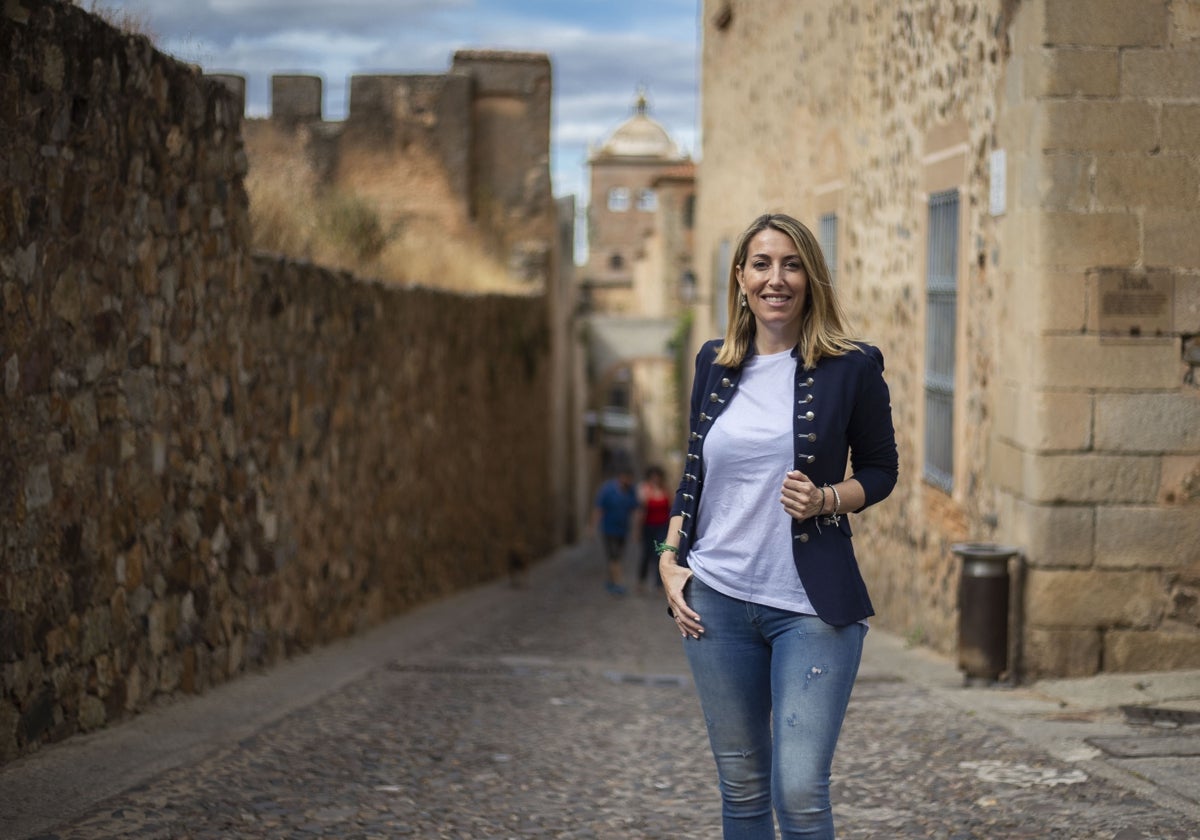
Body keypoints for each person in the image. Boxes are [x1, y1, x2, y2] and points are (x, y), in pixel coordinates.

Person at [658, 213, 898, 839]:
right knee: (740, 790)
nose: (776, 279)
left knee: (799, 792)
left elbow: (880, 470)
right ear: (740, 278)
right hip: (716, 601)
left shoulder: (853, 367)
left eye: (791, 264)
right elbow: (692, 472)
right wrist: (668, 555)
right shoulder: (714, 362)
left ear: (812, 277)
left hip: (810, 606)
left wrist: (825, 499)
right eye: (762, 265)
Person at [590, 465, 640, 595]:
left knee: (618, 557)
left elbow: (635, 510)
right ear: (621, 477)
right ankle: (618, 583)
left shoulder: (631, 491)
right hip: (609, 529)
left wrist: (635, 530)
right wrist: (593, 527)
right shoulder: (607, 490)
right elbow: (599, 509)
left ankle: (611, 581)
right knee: (614, 556)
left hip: (623, 530)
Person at [635, 465, 671, 594]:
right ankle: (641, 581)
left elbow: (670, 509)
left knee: (660, 554)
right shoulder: (644, 489)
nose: (656, 479)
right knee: (646, 554)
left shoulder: (665, 491)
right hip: (648, 527)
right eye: (653, 477)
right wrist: (637, 530)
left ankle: (658, 584)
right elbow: (641, 510)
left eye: (658, 477)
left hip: (662, 527)